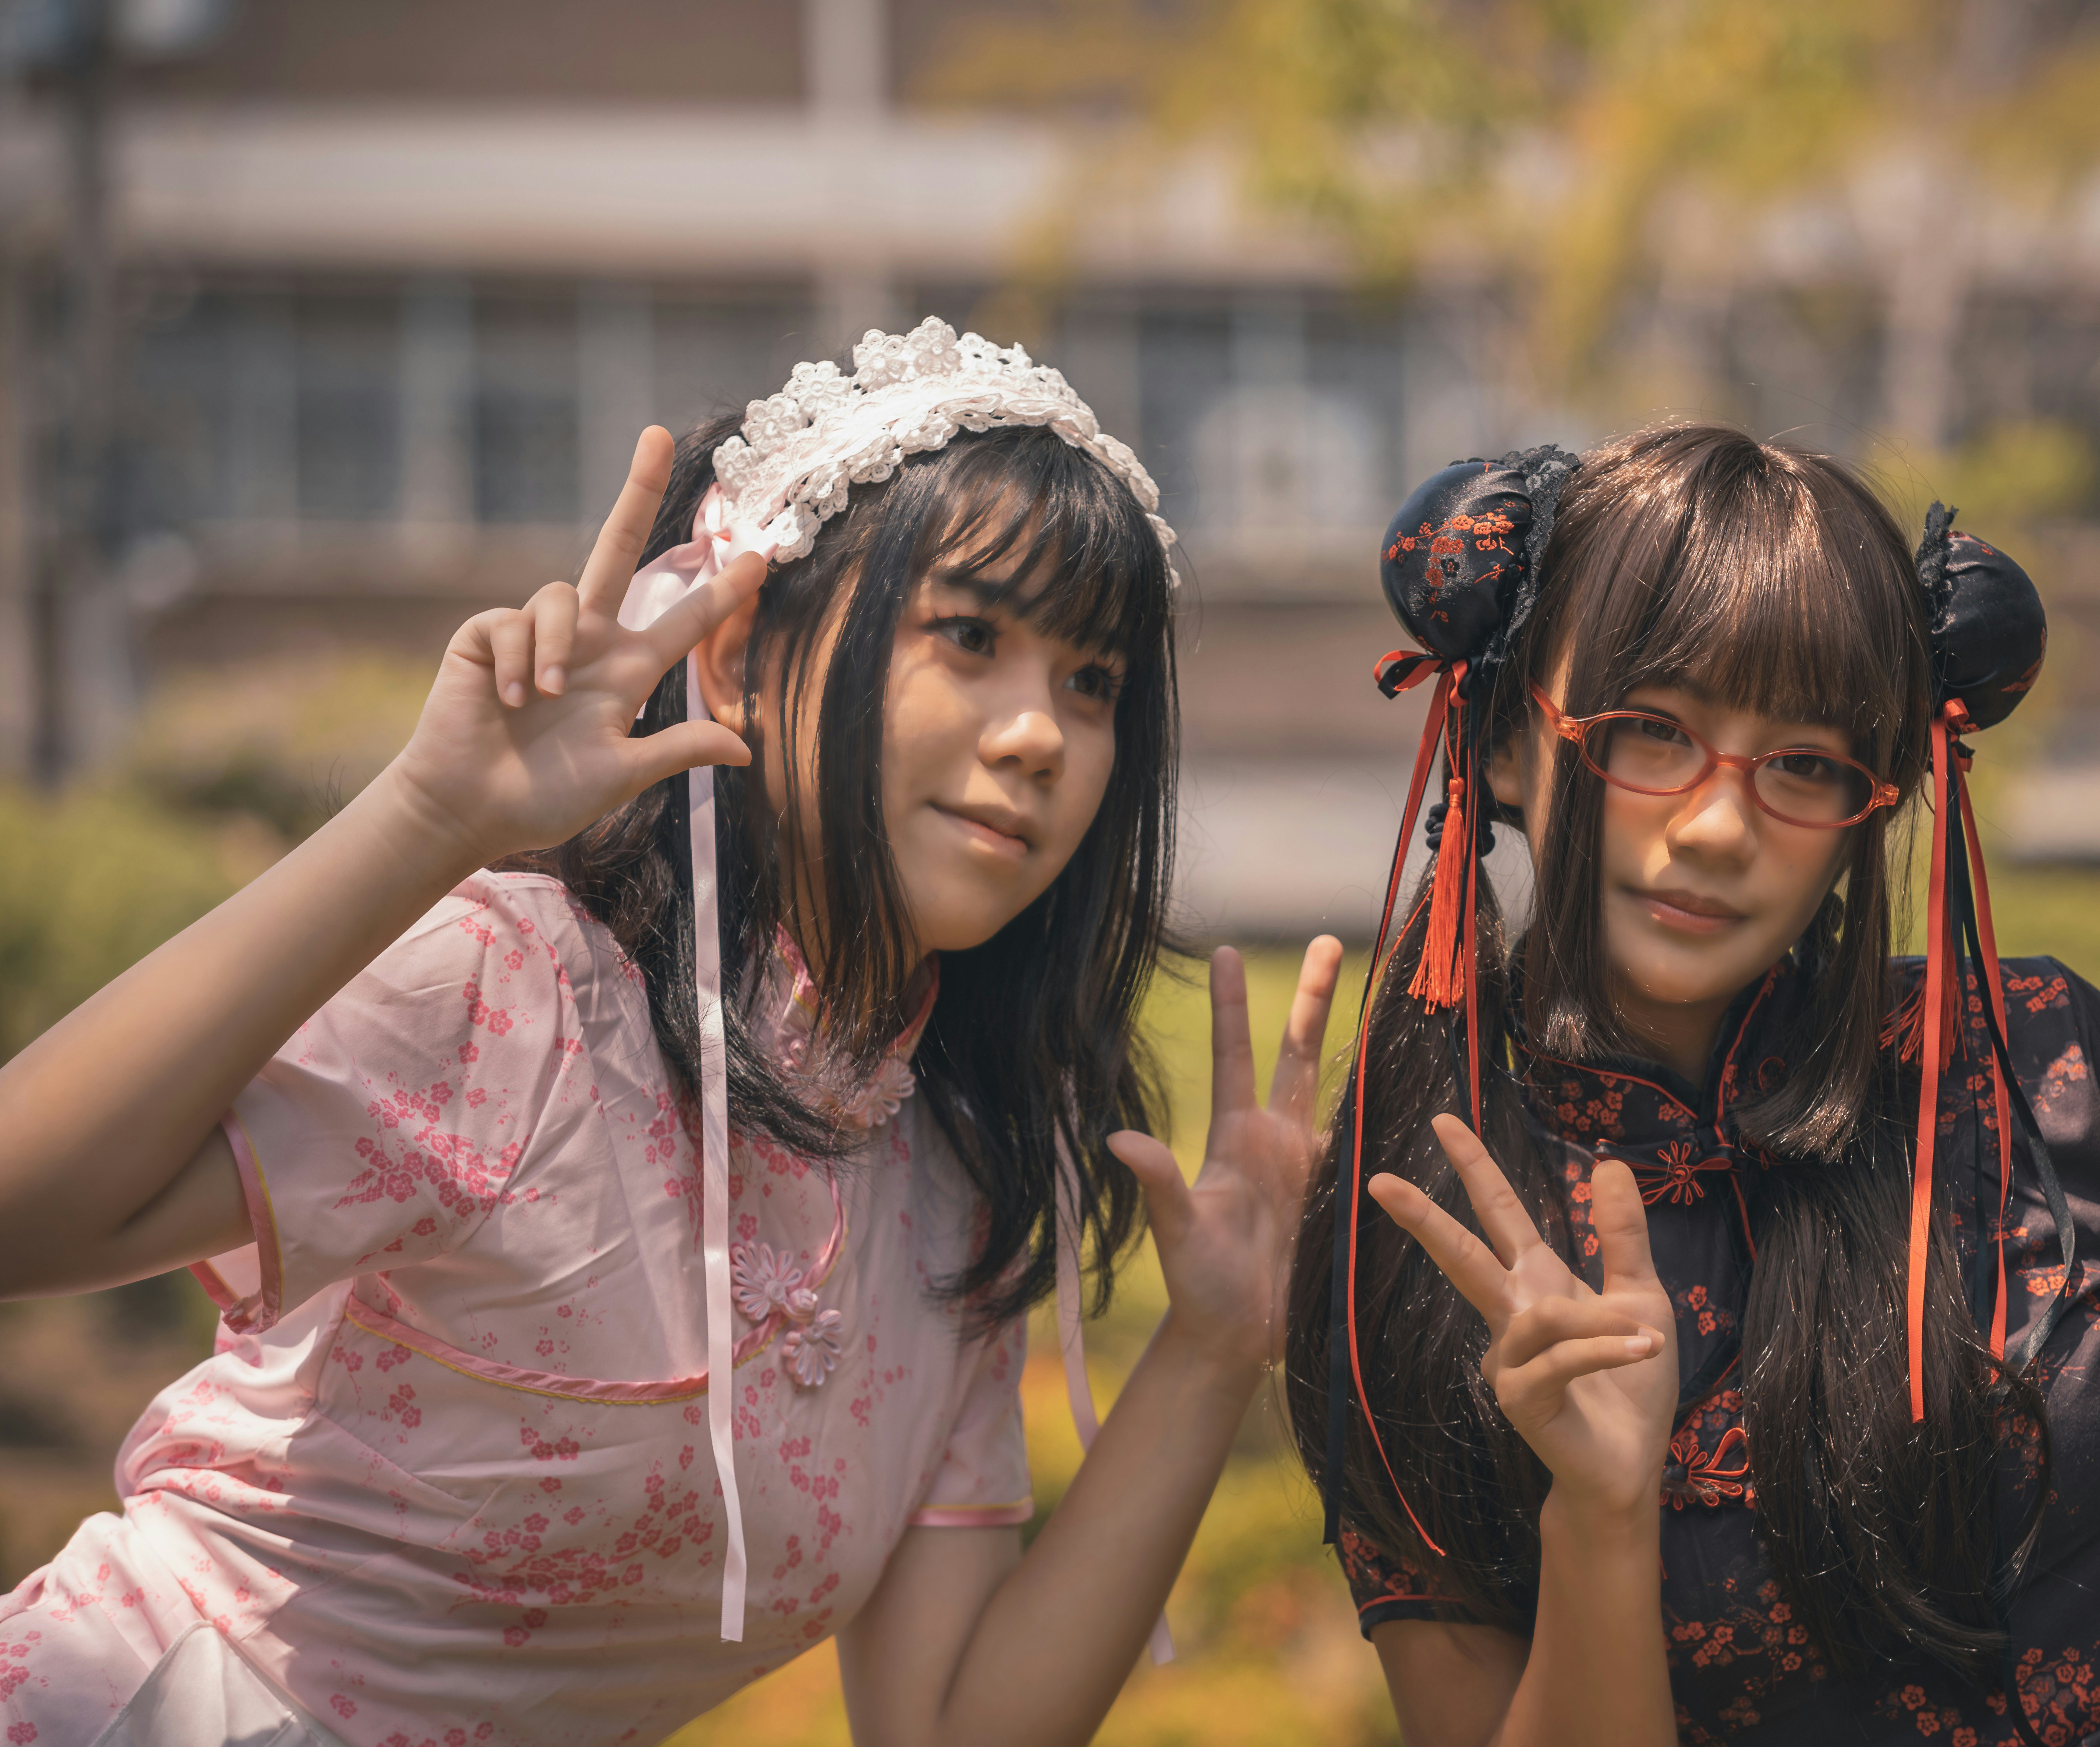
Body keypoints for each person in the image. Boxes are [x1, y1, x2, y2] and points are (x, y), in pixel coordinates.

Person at [0, 319, 1344, 1747]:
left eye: (1096, 683)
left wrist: (1209, 1350)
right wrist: (425, 821)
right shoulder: (527, 997)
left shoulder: (956, 1179)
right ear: (744, 653)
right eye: (970, 636)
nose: (1041, 736)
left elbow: (952, 1730)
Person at [1286, 423, 2100, 1746]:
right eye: (1650, 732)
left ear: (1881, 797)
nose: (1719, 826)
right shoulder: (1423, 1229)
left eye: (1804, 766)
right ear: (1506, 740)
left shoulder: (2038, 1056)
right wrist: (1602, 1520)